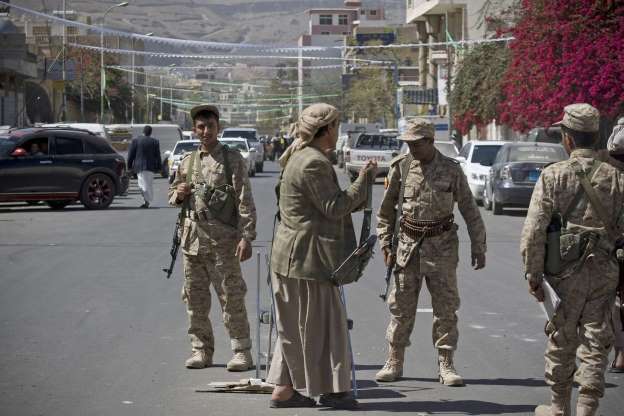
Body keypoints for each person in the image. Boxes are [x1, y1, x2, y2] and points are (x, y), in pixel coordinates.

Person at [267, 103, 376, 409]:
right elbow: (335, 207)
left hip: (291, 259)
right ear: (327, 129)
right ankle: (333, 390)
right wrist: (364, 180)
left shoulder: (297, 156)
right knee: (326, 326)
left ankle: (284, 389)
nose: (337, 130)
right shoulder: (313, 162)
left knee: (294, 327)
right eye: (336, 125)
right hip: (308, 261)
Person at [521, 104, 624, 416]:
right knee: (596, 341)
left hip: (563, 274)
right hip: (605, 270)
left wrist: (533, 276)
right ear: (596, 137)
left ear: (567, 139)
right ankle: (587, 409)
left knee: (562, 338)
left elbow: (534, 232)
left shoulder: (554, 176)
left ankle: (559, 407)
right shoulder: (617, 178)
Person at [375, 118, 486, 385]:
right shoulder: (400, 168)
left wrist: (478, 246)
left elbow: (470, 210)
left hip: (443, 249)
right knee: (400, 308)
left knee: (446, 309)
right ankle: (394, 361)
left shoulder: (451, 170)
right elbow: (386, 212)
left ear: (430, 141)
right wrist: (385, 243)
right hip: (407, 250)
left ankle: (446, 364)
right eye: (408, 144)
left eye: (416, 143)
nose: (411, 148)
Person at [168, 104, 257, 371]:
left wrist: (247, 236)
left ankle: (241, 351)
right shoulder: (187, 161)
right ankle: (201, 350)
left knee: (231, 297)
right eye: (200, 127)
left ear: (219, 128)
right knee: (195, 300)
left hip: (224, 244)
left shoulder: (232, 160)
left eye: (210, 126)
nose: (205, 131)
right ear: (194, 130)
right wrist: (179, 193)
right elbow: (172, 194)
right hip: (192, 242)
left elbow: (245, 201)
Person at [127, 125, 162, 208]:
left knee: (142, 185)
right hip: (151, 167)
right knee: (148, 184)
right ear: (151, 132)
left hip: (140, 167)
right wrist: (159, 167)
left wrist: (129, 167)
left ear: (143, 132)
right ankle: (147, 200)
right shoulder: (155, 141)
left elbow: (131, 155)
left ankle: (147, 201)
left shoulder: (136, 141)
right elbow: (158, 156)